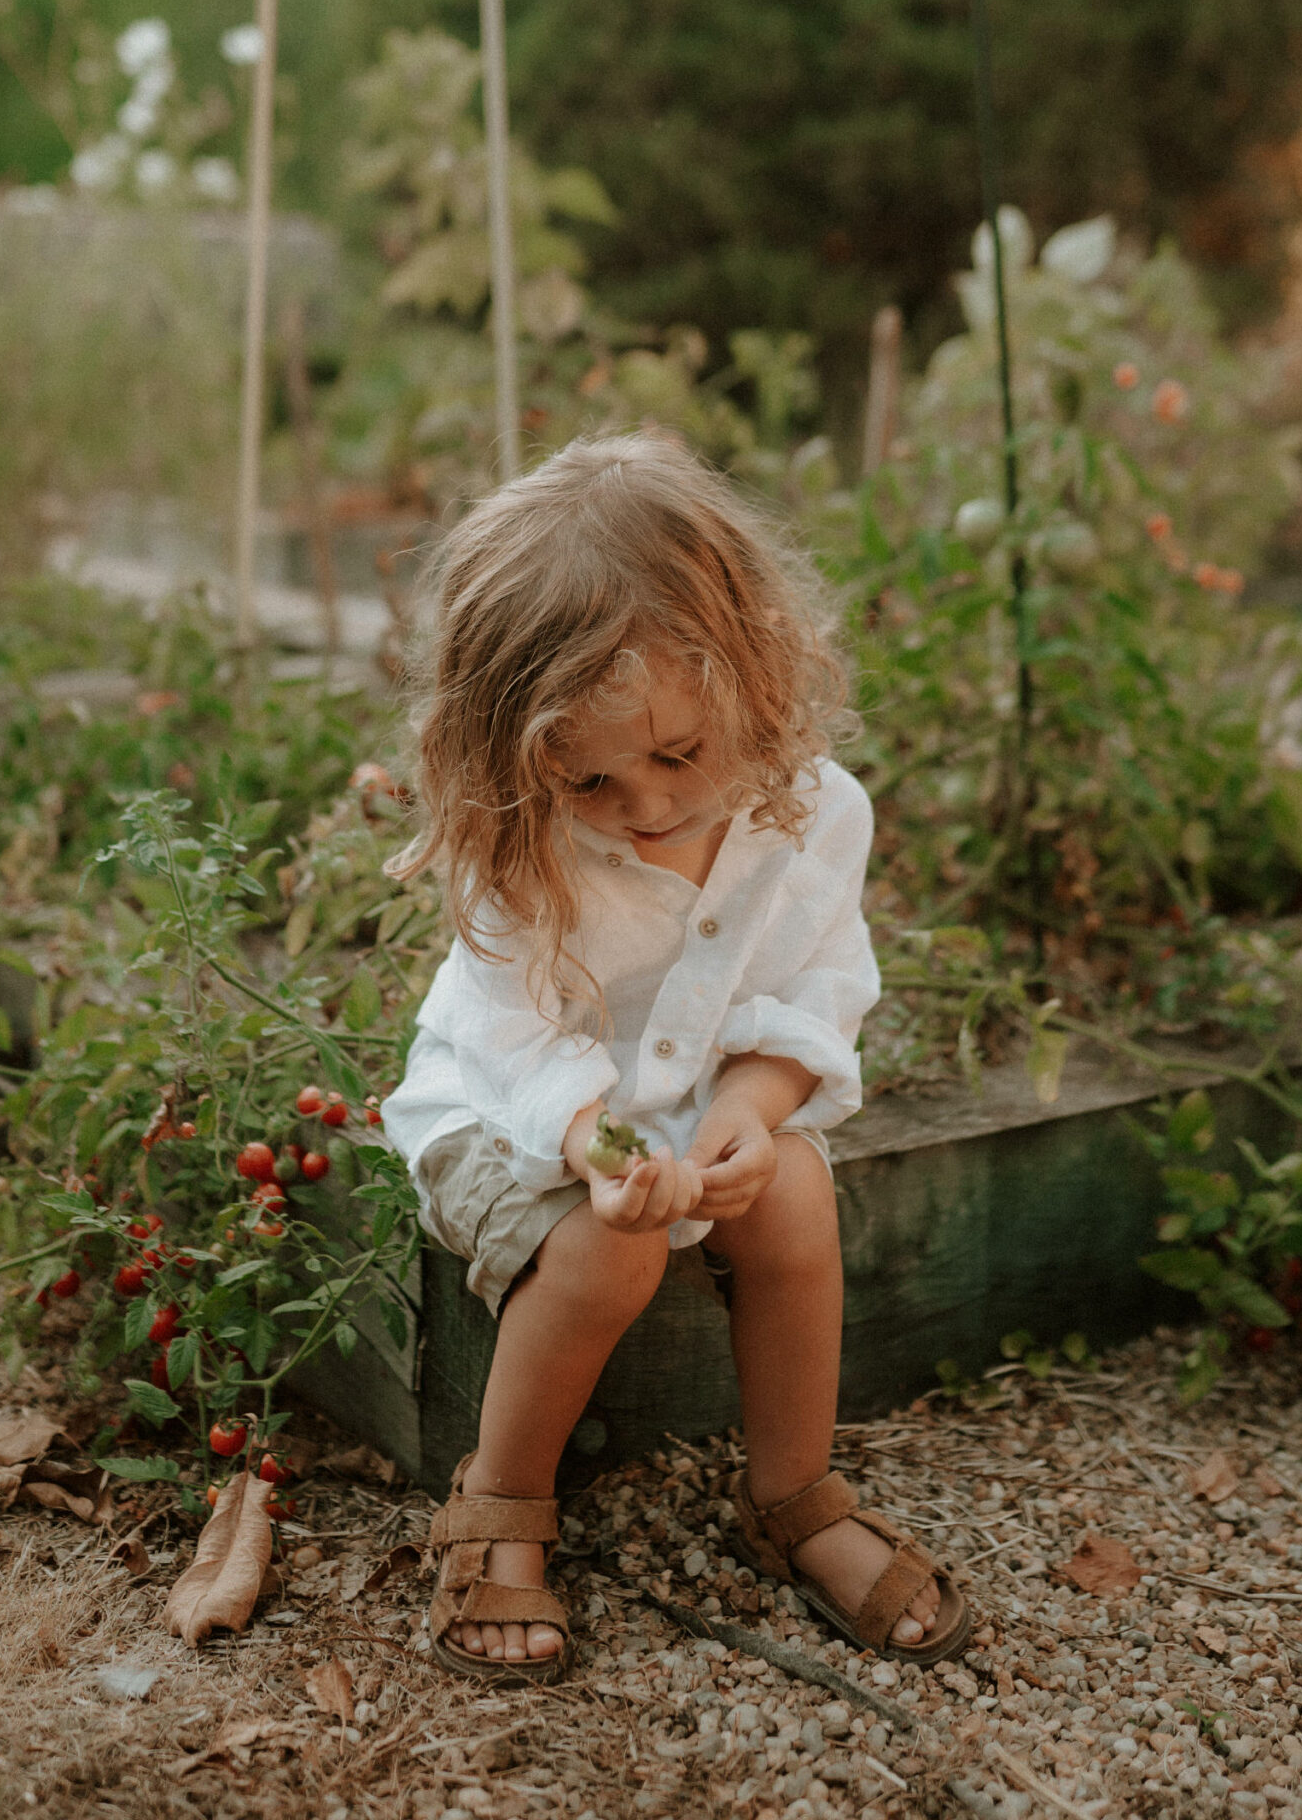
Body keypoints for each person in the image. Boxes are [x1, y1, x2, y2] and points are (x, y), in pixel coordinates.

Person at [382, 432, 971, 1686]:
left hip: (690, 1102)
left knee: (799, 1189)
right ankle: (500, 1504)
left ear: (757, 678)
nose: (645, 804)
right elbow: (509, 1031)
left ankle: (795, 1493)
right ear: (514, 755)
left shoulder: (814, 812)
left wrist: (757, 1109)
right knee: (612, 1244)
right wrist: (597, 1146)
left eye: (677, 755)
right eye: (589, 776)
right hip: (504, 1110)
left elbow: (817, 993)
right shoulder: (518, 841)